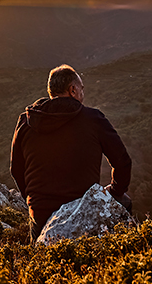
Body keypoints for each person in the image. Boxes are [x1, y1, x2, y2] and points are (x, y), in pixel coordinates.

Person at [10, 64, 132, 242]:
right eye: (81, 88)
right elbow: (122, 162)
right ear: (73, 90)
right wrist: (114, 191)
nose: (83, 92)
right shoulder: (93, 119)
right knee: (125, 202)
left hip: (41, 212)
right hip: (83, 208)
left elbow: (16, 169)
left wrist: (34, 201)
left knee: (38, 255)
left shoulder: (26, 121)